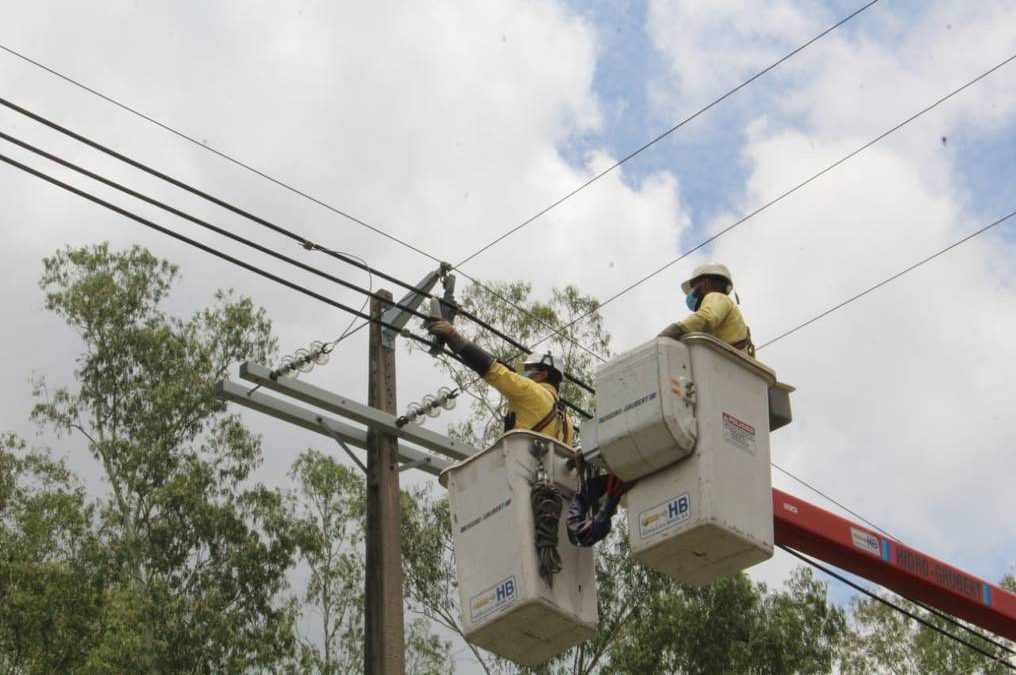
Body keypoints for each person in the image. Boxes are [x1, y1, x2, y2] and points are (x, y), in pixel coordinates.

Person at [425, 320, 572, 445]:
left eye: (526, 371)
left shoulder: (531, 390)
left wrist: (453, 336)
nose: (521, 375)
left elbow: (493, 370)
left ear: (540, 375)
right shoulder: (568, 422)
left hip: (519, 470)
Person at [658, 262, 755, 356]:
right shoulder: (724, 304)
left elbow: (706, 317)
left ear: (705, 283)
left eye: (693, 286)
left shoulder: (716, 296)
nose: (691, 293)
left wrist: (671, 333)